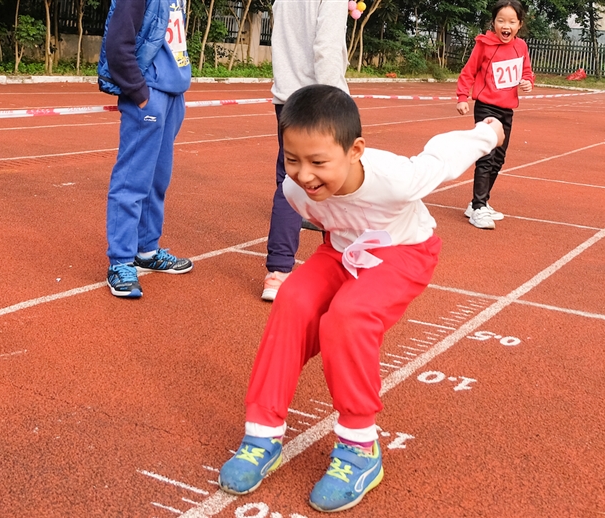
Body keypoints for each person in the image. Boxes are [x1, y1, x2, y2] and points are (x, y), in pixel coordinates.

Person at [217, 84, 504, 512]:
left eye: (318, 162)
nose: (304, 174)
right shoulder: (296, 193)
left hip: (403, 253)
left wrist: (489, 131)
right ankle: (263, 433)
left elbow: (443, 154)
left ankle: (360, 449)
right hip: (342, 251)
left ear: (355, 151)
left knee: (347, 317)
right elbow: (332, 225)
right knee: (292, 299)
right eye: (292, 160)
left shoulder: (396, 180)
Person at [97, 0, 194, 298]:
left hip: (172, 94)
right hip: (148, 93)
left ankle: (147, 250)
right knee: (132, 179)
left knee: (157, 179)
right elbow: (117, 43)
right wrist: (139, 93)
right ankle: (121, 261)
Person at [261, 0, 350, 301]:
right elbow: (325, 48)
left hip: (286, 97)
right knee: (336, 182)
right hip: (319, 100)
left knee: (288, 183)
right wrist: (334, 102)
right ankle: (341, 269)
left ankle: (277, 273)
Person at [455, 0, 534, 230]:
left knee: (499, 158)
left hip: (507, 109)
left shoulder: (521, 47)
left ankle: (479, 202)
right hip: (486, 107)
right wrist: (462, 97)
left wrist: (528, 82)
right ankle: (478, 208)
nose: (505, 25)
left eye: (511, 21)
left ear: (519, 25)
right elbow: (468, 72)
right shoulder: (484, 45)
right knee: (486, 157)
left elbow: (527, 72)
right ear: (493, 23)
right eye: (501, 20)